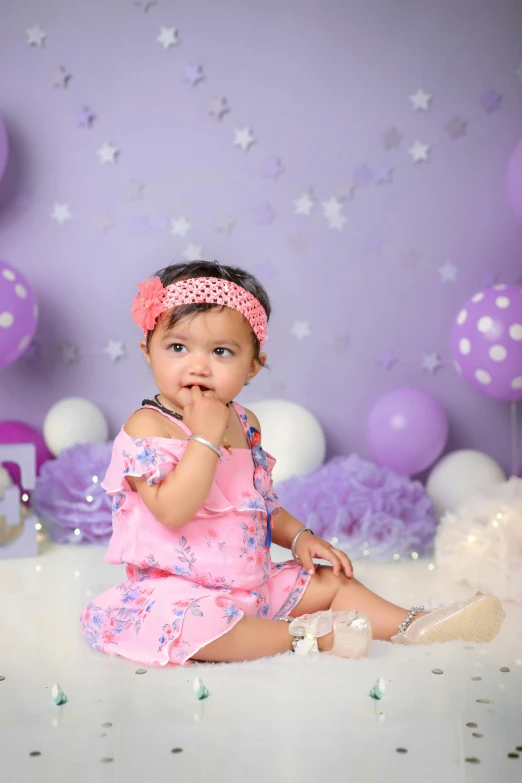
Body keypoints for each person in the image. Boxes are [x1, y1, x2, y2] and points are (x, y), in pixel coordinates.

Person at [79, 261, 504, 666]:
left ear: (252, 367)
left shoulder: (244, 423)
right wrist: (204, 438)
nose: (198, 365)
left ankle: (417, 625)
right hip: (177, 593)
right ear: (147, 351)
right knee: (190, 627)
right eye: (177, 347)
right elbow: (172, 511)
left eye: (222, 352)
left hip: (252, 585)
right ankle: (308, 635)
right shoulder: (148, 426)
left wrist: (300, 536)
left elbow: (259, 503)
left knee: (330, 581)